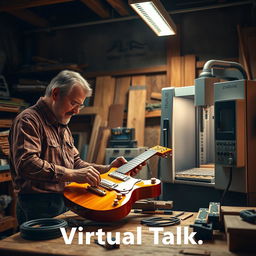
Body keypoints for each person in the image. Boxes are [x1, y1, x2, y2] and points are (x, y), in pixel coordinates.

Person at [9, 70, 143, 225]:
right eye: (73, 103)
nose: (77, 111)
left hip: (65, 201)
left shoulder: (62, 125)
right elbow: (27, 164)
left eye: (80, 105)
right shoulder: (28, 120)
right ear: (55, 94)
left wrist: (108, 169)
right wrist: (72, 175)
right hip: (38, 205)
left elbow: (76, 163)